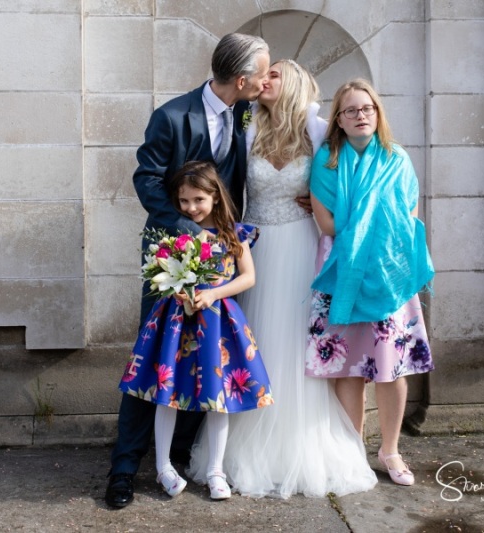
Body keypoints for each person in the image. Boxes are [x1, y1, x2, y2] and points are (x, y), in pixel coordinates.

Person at [188, 60, 377, 498]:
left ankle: (299, 444)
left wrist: (323, 204)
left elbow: (352, 169)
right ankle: (236, 445)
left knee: (295, 341)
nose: (263, 80)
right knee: (251, 340)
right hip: (254, 247)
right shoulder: (248, 127)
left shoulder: (317, 127)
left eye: (272, 74)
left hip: (299, 245)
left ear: (291, 83)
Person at [105, 33, 270, 509]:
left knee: (208, 359)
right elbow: (146, 177)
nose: (266, 79)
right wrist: (189, 232)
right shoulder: (172, 116)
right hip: (169, 254)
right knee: (154, 357)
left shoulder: (243, 111)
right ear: (242, 79)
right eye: (262, 72)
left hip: (223, 258)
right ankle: (123, 468)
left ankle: (179, 457)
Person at [119, 161, 273, 501]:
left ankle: (216, 471)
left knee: (217, 397)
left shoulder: (234, 233)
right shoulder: (177, 232)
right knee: (167, 392)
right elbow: (160, 272)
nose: (191, 207)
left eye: (199, 200)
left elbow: (248, 277)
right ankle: (163, 467)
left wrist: (214, 293)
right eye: (184, 201)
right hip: (176, 322)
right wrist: (177, 288)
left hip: (218, 321)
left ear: (215, 196)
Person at [307, 78, 435, 487]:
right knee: (349, 367)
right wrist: (366, 229)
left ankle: (391, 450)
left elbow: (408, 211)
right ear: (338, 121)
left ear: (377, 114)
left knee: (391, 367)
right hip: (343, 273)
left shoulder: (397, 157)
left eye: (367, 109)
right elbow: (326, 221)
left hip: (389, 275)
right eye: (350, 110)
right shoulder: (327, 160)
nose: (360, 115)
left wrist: (374, 237)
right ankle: (353, 452)